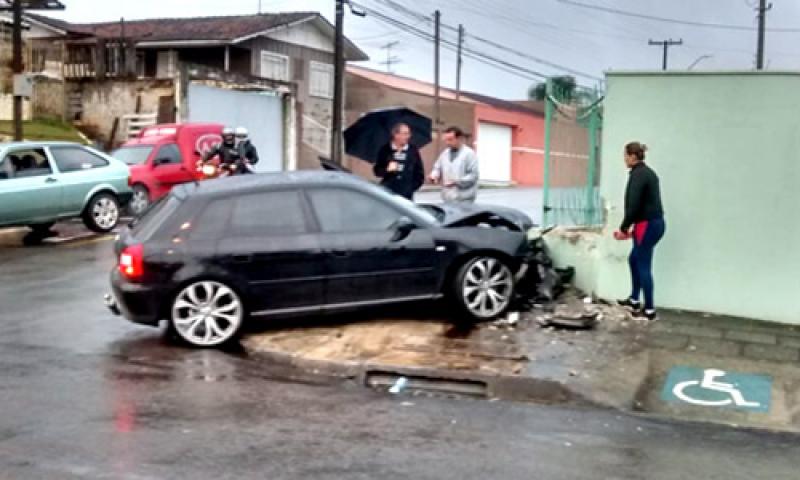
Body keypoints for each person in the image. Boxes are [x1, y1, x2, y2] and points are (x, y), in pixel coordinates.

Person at [615, 142, 665, 321]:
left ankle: (649, 309)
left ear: (633, 156)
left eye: (625, 155)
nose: (624, 159)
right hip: (653, 223)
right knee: (634, 259)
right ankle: (634, 299)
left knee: (643, 264)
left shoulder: (638, 175)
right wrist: (631, 229)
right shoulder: (648, 173)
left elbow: (633, 205)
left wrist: (623, 228)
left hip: (647, 224)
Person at [373, 123, 425, 200]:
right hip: (388, 193)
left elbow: (419, 173)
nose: (408, 136)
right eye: (405, 134)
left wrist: (410, 188)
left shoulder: (413, 150)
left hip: (406, 195)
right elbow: (377, 171)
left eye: (408, 133)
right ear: (395, 135)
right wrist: (387, 169)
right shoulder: (385, 150)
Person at [429, 126, 479, 204]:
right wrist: (434, 175)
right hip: (447, 198)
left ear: (459, 139)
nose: (447, 143)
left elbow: (473, 175)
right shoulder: (445, 153)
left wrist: (457, 182)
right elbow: (437, 168)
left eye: (450, 140)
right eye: (446, 140)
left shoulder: (469, 154)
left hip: (464, 200)